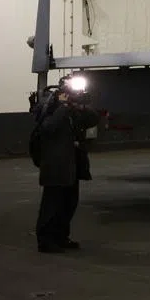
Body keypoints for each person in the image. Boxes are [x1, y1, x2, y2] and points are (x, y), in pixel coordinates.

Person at [30, 75, 98, 253]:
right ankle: (45, 240)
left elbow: (93, 119)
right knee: (52, 204)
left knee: (69, 203)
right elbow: (47, 128)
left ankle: (61, 236)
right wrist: (63, 107)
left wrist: (80, 106)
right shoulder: (50, 106)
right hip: (55, 164)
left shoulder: (73, 109)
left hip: (71, 165)